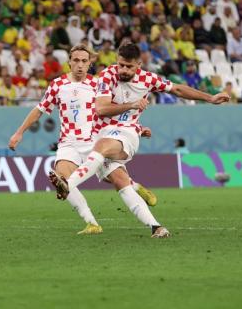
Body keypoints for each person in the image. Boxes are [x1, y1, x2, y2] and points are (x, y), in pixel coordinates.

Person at [56, 43, 230, 238]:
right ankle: (156, 227)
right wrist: (133, 104)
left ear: (138, 65)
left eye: (129, 67)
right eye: (121, 65)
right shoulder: (107, 76)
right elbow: (101, 109)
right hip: (102, 133)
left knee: (101, 147)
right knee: (120, 181)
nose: (123, 70)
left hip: (126, 133)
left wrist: (210, 98)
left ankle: (68, 185)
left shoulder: (148, 79)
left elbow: (178, 90)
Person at [9, 44, 157, 235]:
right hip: (68, 142)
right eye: (76, 60)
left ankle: (136, 187)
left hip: (95, 139)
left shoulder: (98, 84)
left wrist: (137, 128)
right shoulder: (57, 85)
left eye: (84, 61)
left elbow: (116, 113)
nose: (80, 65)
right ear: (69, 62)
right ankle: (92, 223)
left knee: (115, 179)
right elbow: (39, 110)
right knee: (62, 179)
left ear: (90, 64)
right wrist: (19, 132)